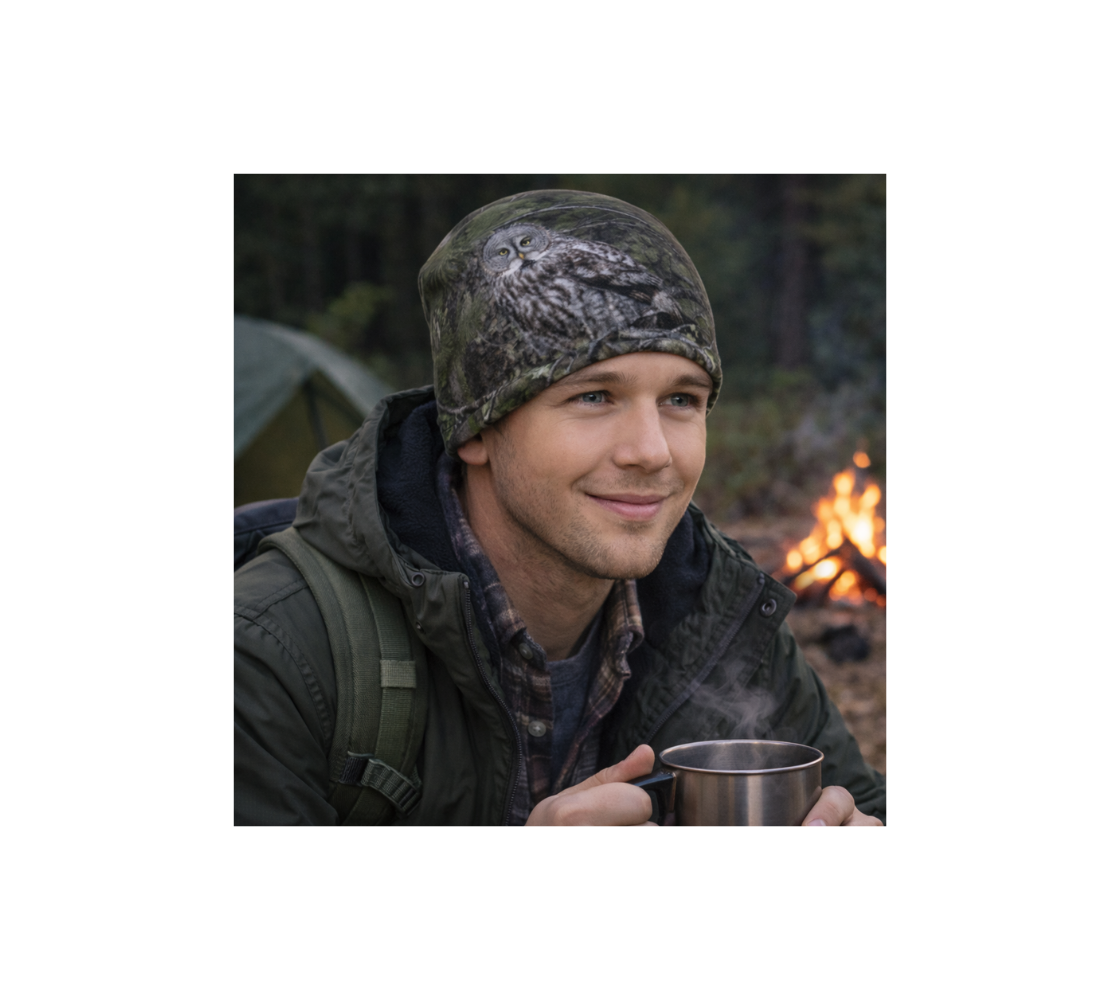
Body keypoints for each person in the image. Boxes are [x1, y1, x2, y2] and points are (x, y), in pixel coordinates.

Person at [233, 190, 887, 827]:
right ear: (477, 430)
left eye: (682, 399)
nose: (652, 452)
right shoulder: (275, 652)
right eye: (595, 396)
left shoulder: (718, 618)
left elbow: (866, 800)